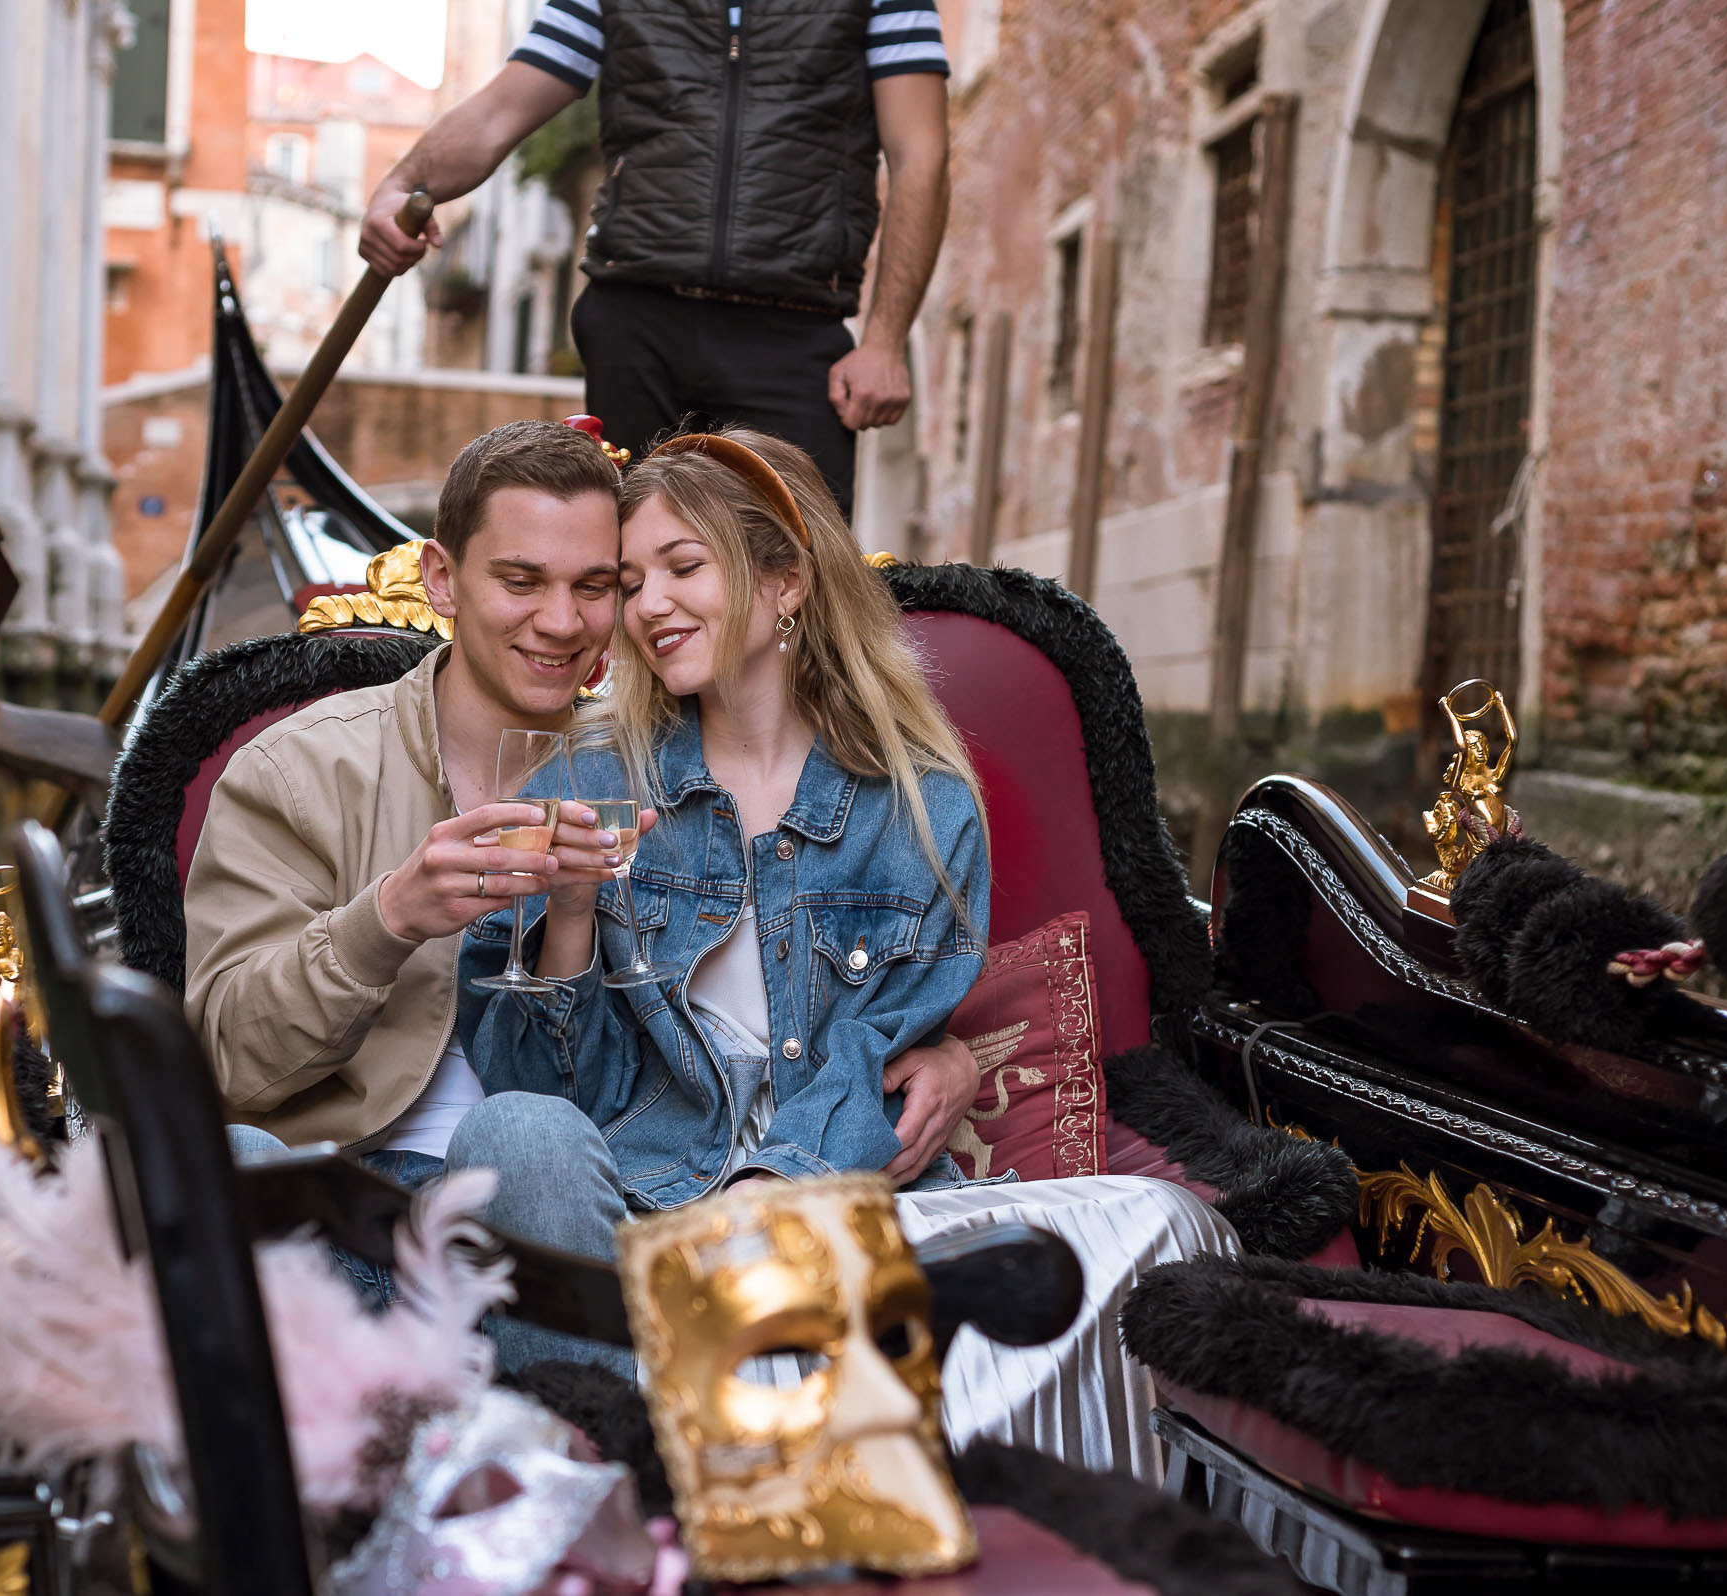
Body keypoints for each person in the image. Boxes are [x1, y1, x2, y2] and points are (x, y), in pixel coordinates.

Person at [459, 428, 1236, 1481]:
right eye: (633, 581)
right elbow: (547, 1088)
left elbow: (875, 1052)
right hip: (643, 1216)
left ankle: (731, 1441)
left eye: (684, 569)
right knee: (513, 1132)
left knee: (1167, 1225)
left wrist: (777, 1191)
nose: (646, 607)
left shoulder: (917, 803)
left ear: (785, 582)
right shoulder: (596, 772)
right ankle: (680, 1448)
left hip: (825, 1202)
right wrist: (570, 913)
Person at [182, 419, 979, 1360]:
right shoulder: (299, 772)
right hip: (371, 1203)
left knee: (525, 1133)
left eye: (597, 586)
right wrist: (388, 917)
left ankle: (596, 1446)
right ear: (441, 579)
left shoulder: (632, 769)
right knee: (232, 1167)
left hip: (570, 1187)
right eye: (521, 582)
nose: (565, 623)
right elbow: (222, 1065)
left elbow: (807, 984)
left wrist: (946, 1049)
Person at [359, 2, 952, 513]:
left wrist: (885, 339)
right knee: (624, 565)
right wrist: (404, 184)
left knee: (798, 579)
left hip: (793, 331)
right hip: (636, 321)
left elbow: (920, 157)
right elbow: (499, 112)